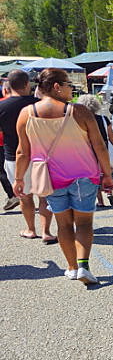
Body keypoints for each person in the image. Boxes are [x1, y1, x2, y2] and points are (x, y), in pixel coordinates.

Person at [13, 68, 113, 284]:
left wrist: (19, 179)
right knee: (85, 223)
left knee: (63, 224)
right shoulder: (79, 112)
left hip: (51, 179)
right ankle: (84, 266)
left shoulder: (27, 114)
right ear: (57, 87)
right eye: (68, 84)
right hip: (85, 177)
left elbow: (22, 152)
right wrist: (107, 174)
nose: (71, 89)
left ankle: (71, 267)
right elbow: (99, 146)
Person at [0, 69, 55, 241]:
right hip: (41, 155)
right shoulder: (39, 104)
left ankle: (31, 229)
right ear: (27, 84)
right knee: (44, 195)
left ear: (8, 86)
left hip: (13, 156)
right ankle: (46, 232)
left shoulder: (2, 106)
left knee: (24, 195)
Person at [77, 94, 113, 207]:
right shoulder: (103, 119)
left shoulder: (80, 121)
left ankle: (100, 201)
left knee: (94, 176)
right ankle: (109, 193)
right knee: (106, 173)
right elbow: (112, 136)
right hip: (104, 150)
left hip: (88, 152)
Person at [0, 79, 20, 211]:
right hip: (20, 142)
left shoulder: (2, 104)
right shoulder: (25, 103)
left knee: (2, 170)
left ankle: (13, 195)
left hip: (3, 142)